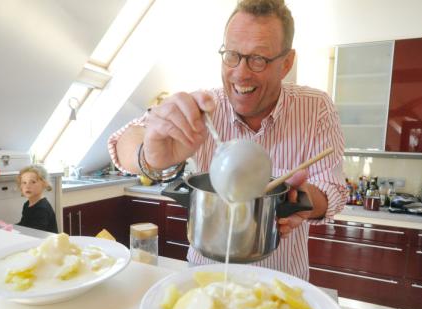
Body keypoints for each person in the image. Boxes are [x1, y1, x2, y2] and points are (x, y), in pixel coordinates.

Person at [108, 0, 346, 280]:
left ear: (286, 63)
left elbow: (334, 192)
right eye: (232, 55)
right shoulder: (204, 107)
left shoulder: (315, 107)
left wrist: (301, 198)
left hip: (280, 281)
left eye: (259, 59)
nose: (241, 73)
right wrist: (151, 152)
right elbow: (120, 141)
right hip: (205, 275)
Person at [16, 164, 58, 233]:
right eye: (24, 182)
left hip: (45, 242)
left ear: (44, 184)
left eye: (33, 182)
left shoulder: (42, 209)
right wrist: (10, 227)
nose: (27, 186)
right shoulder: (27, 204)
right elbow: (23, 224)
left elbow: (36, 233)